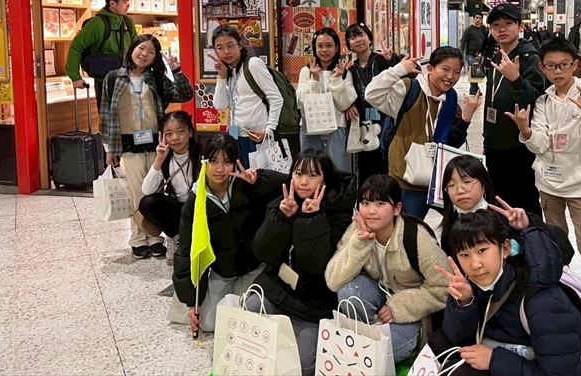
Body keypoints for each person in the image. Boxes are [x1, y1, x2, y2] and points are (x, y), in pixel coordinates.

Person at [505, 37, 581, 305]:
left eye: (564, 65)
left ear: (575, 65)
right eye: (551, 66)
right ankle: (563, 290)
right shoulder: (543, 101)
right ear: (542, 68)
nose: (558, 71)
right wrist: (525, 130)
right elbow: (540, 145)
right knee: (557, 244)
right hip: (549, 184)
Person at [428, 211, 581, 376]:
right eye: (464, 255)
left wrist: (494, 360)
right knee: (438, 343)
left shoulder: (543, 301)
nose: (475, 265)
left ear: (505, 248)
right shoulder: (473, 285)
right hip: (503, 354)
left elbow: (563, 372)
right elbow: (455, 338)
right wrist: (464, 303)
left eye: (482, 250)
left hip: (530, 365)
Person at [245, 150, 357, 375]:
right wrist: (282, 218)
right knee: (251, 307)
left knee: (304, 365)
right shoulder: (282, 203)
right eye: (298, 174)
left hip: (314, 301)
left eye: (313, 175)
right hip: (279, 288)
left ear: (325, 179)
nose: (304, 182)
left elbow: (317, 265)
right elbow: (262, 252)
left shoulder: (339, 213)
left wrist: (311, 219)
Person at [325, 174, 451, 364]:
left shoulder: (417, 238)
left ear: (397, 209)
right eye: (365, 203)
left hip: (414, 313)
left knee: (384, 348)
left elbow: (445, 288)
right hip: (379, 299)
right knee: (349, 291)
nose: (371, 211)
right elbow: (333, 281)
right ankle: (366, 341)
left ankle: (383, 347)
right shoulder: (357, 230)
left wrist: (399, 307)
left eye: (380, 203)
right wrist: (359, 243)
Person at [172, 134, 287, 334]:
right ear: (204, 162)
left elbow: (286, 184)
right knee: (209, 323)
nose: (220, 169)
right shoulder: (196, 201)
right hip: (223, 271)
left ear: (235, 163)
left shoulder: (246, 184)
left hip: (253, 267)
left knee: (247, 314)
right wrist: (191, 302)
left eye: (227, 162)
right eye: (213, 161)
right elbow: (186, 251)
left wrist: (259, 180)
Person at [99, 34, 193, 259]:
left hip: (156, 144)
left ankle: (155, 237)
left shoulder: (156, 78)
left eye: (151, 52)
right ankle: (138, 239)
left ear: (155, 58)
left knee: (156, 191)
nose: (144, 54)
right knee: (136, 192)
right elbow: (105, 114)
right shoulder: (113, 78)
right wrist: (109, 148)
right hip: (129, 145)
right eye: (141, 48)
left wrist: (176, 70)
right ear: (133, 48)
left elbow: (185, 95)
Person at [364, 46, 484, 219]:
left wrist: (466, 118)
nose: (451, 76)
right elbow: (371, 94)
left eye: (457, 72)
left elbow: (451, 143)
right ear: (430, 68)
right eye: (445, 69)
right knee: (408, 229)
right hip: (405, 183)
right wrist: (399, 69)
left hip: (438, 182)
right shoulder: (409, 90)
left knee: (453, 226)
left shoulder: (451, 100)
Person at [439, 155, 575, 265]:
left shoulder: (506, 220)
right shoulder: (449, 230)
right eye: (451, 185)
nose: (460, 190)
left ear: (484, 185)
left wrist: (528, 227)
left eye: (467, 182)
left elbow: (564, 252)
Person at [481, 3, 546, 217]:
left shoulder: (530, 58)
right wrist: (487, 138)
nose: (501, 29)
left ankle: (532, 236)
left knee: (524, 202)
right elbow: (491, 100)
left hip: (519, 145)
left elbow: (538, 100)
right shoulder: (497, 57)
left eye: (508, 23)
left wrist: (516, 79)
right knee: (499, 199)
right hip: (495, 143)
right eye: (495, 25)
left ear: (520, 26)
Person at [211, 25, 283, 168]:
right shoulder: (229, 71)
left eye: (230, 45)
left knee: (259, 179)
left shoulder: (253, 64)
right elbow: (220, 105)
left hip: (257, 137)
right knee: (241, 178)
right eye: (220, 48)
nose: (226, 51)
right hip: (235, 137)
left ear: (240, 45)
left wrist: (269, 131)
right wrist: (222, 77)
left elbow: (276, 98)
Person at [137, 111, 202, 257]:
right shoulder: (166, 159)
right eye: (169, 134)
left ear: (190, 132)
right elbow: (147, 190)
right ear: (163, 137)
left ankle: (193, 238)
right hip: (178, 209)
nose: (175, 138)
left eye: (180, 131)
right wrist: (159, 159)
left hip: (199, 208)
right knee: (147, 202)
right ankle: (175, 237)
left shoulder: (201, 154)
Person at [344, 22, 400, 182]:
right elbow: (349, 94)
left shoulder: (382, 61)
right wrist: (350, 105)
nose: (357, 40)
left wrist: (393, 60)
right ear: (349, 44)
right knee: (365, 166)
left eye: (361, 35)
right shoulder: (351, 70)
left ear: (369, 38)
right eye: (352, 37)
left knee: (386, 163)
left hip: (386, 120)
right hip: (363, 123)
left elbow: (403, 78)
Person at [296, 27, 357, 173]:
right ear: (314, 48)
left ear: (337, 48)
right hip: (310, 128)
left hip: (336, 128)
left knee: (337, 170)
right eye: (320, 46)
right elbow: (300, 101)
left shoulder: (344, 73)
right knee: (310, 170)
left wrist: (336, 80)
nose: (324, 50)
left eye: (329, 45)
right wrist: (314, 80)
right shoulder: (306, 71)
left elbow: (345, 104)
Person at [66, 0, 136, 110]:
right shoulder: (97, 24)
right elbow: (76, 47)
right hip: (105, 81)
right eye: (125, 1)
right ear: (112, 3)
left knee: (131, 117)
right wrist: (75, 77)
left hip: (129, 79)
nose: (128, 5)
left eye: (129, 1)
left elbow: (137, 46)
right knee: (109, 118)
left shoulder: (128, 22)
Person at [459, 13, 489, 95]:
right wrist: (461, 54)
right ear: (473, 19)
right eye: (476, 17)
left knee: (477, 72)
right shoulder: (469, 30)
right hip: (471, 54)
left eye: (480, 18)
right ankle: (474, 90)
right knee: (473, 71)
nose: (478, 19)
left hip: (480, 55)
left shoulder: (483, 30)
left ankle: (474, 89)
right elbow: (463, 42)